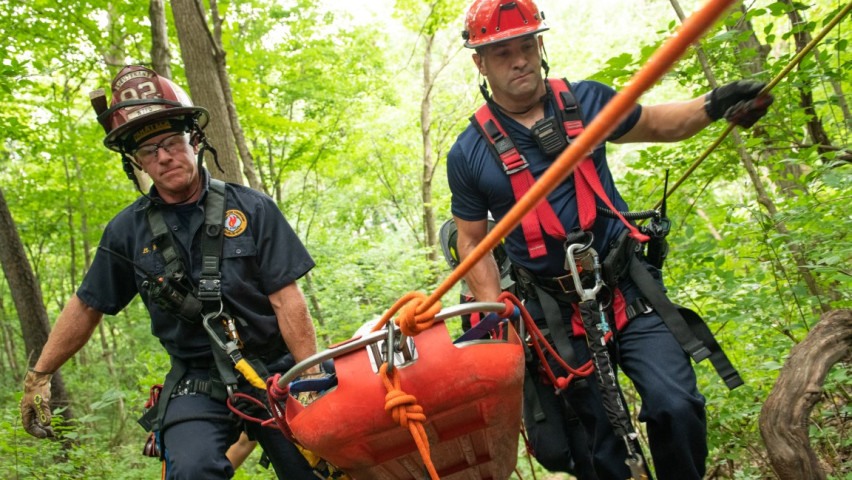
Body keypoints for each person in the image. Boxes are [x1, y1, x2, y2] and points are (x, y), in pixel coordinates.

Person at [448, 1, 771, 479]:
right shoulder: (469, 152)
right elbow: (472, 241)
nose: (519, 60)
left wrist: (715, 103)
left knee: (676, 405)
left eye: (525, 46)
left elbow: (662, 124)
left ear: (540, 46)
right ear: (480, 63)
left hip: (625, 290)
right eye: (502, 54)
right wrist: (497, 319)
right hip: (554, 313)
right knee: (598, 451)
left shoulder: (588, 104)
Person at [20, 65, 322, 480]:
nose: (163, 157)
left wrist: (309, 375)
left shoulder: (252, 209)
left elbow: (286, 299)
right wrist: (39, 375)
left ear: (193, 140)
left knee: (319, 466)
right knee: (192, 470)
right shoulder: (126, 232)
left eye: (171, 142)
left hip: (273, 371)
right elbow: (88, 305)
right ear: (136, 161)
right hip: (197, 381)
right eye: (148, 150)